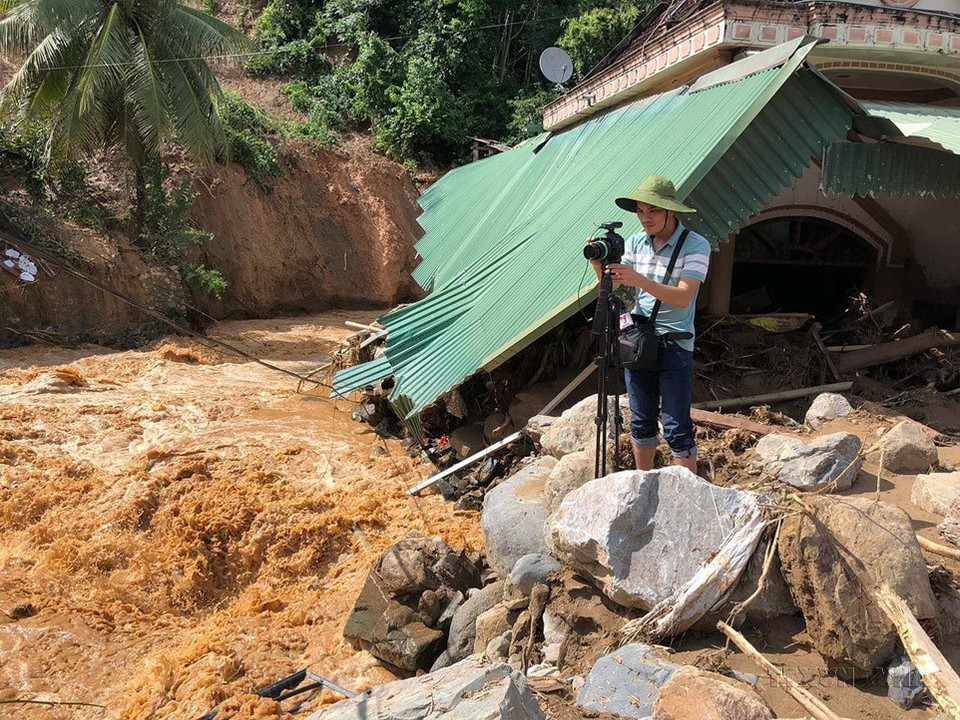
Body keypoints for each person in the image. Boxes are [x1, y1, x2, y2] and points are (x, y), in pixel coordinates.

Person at [587, 175, 711, 473]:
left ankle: (685, 499)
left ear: (671, 211)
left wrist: (640, 279)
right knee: (640, 422)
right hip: (638, 340)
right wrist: (598, 266)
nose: (645, 218)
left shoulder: (695, 245)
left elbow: (683, 297)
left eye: (653, 210)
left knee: (677, 427)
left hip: (674, 344)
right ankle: (644, 486)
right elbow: (622, 295)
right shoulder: (632, 243)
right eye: (641, 211)